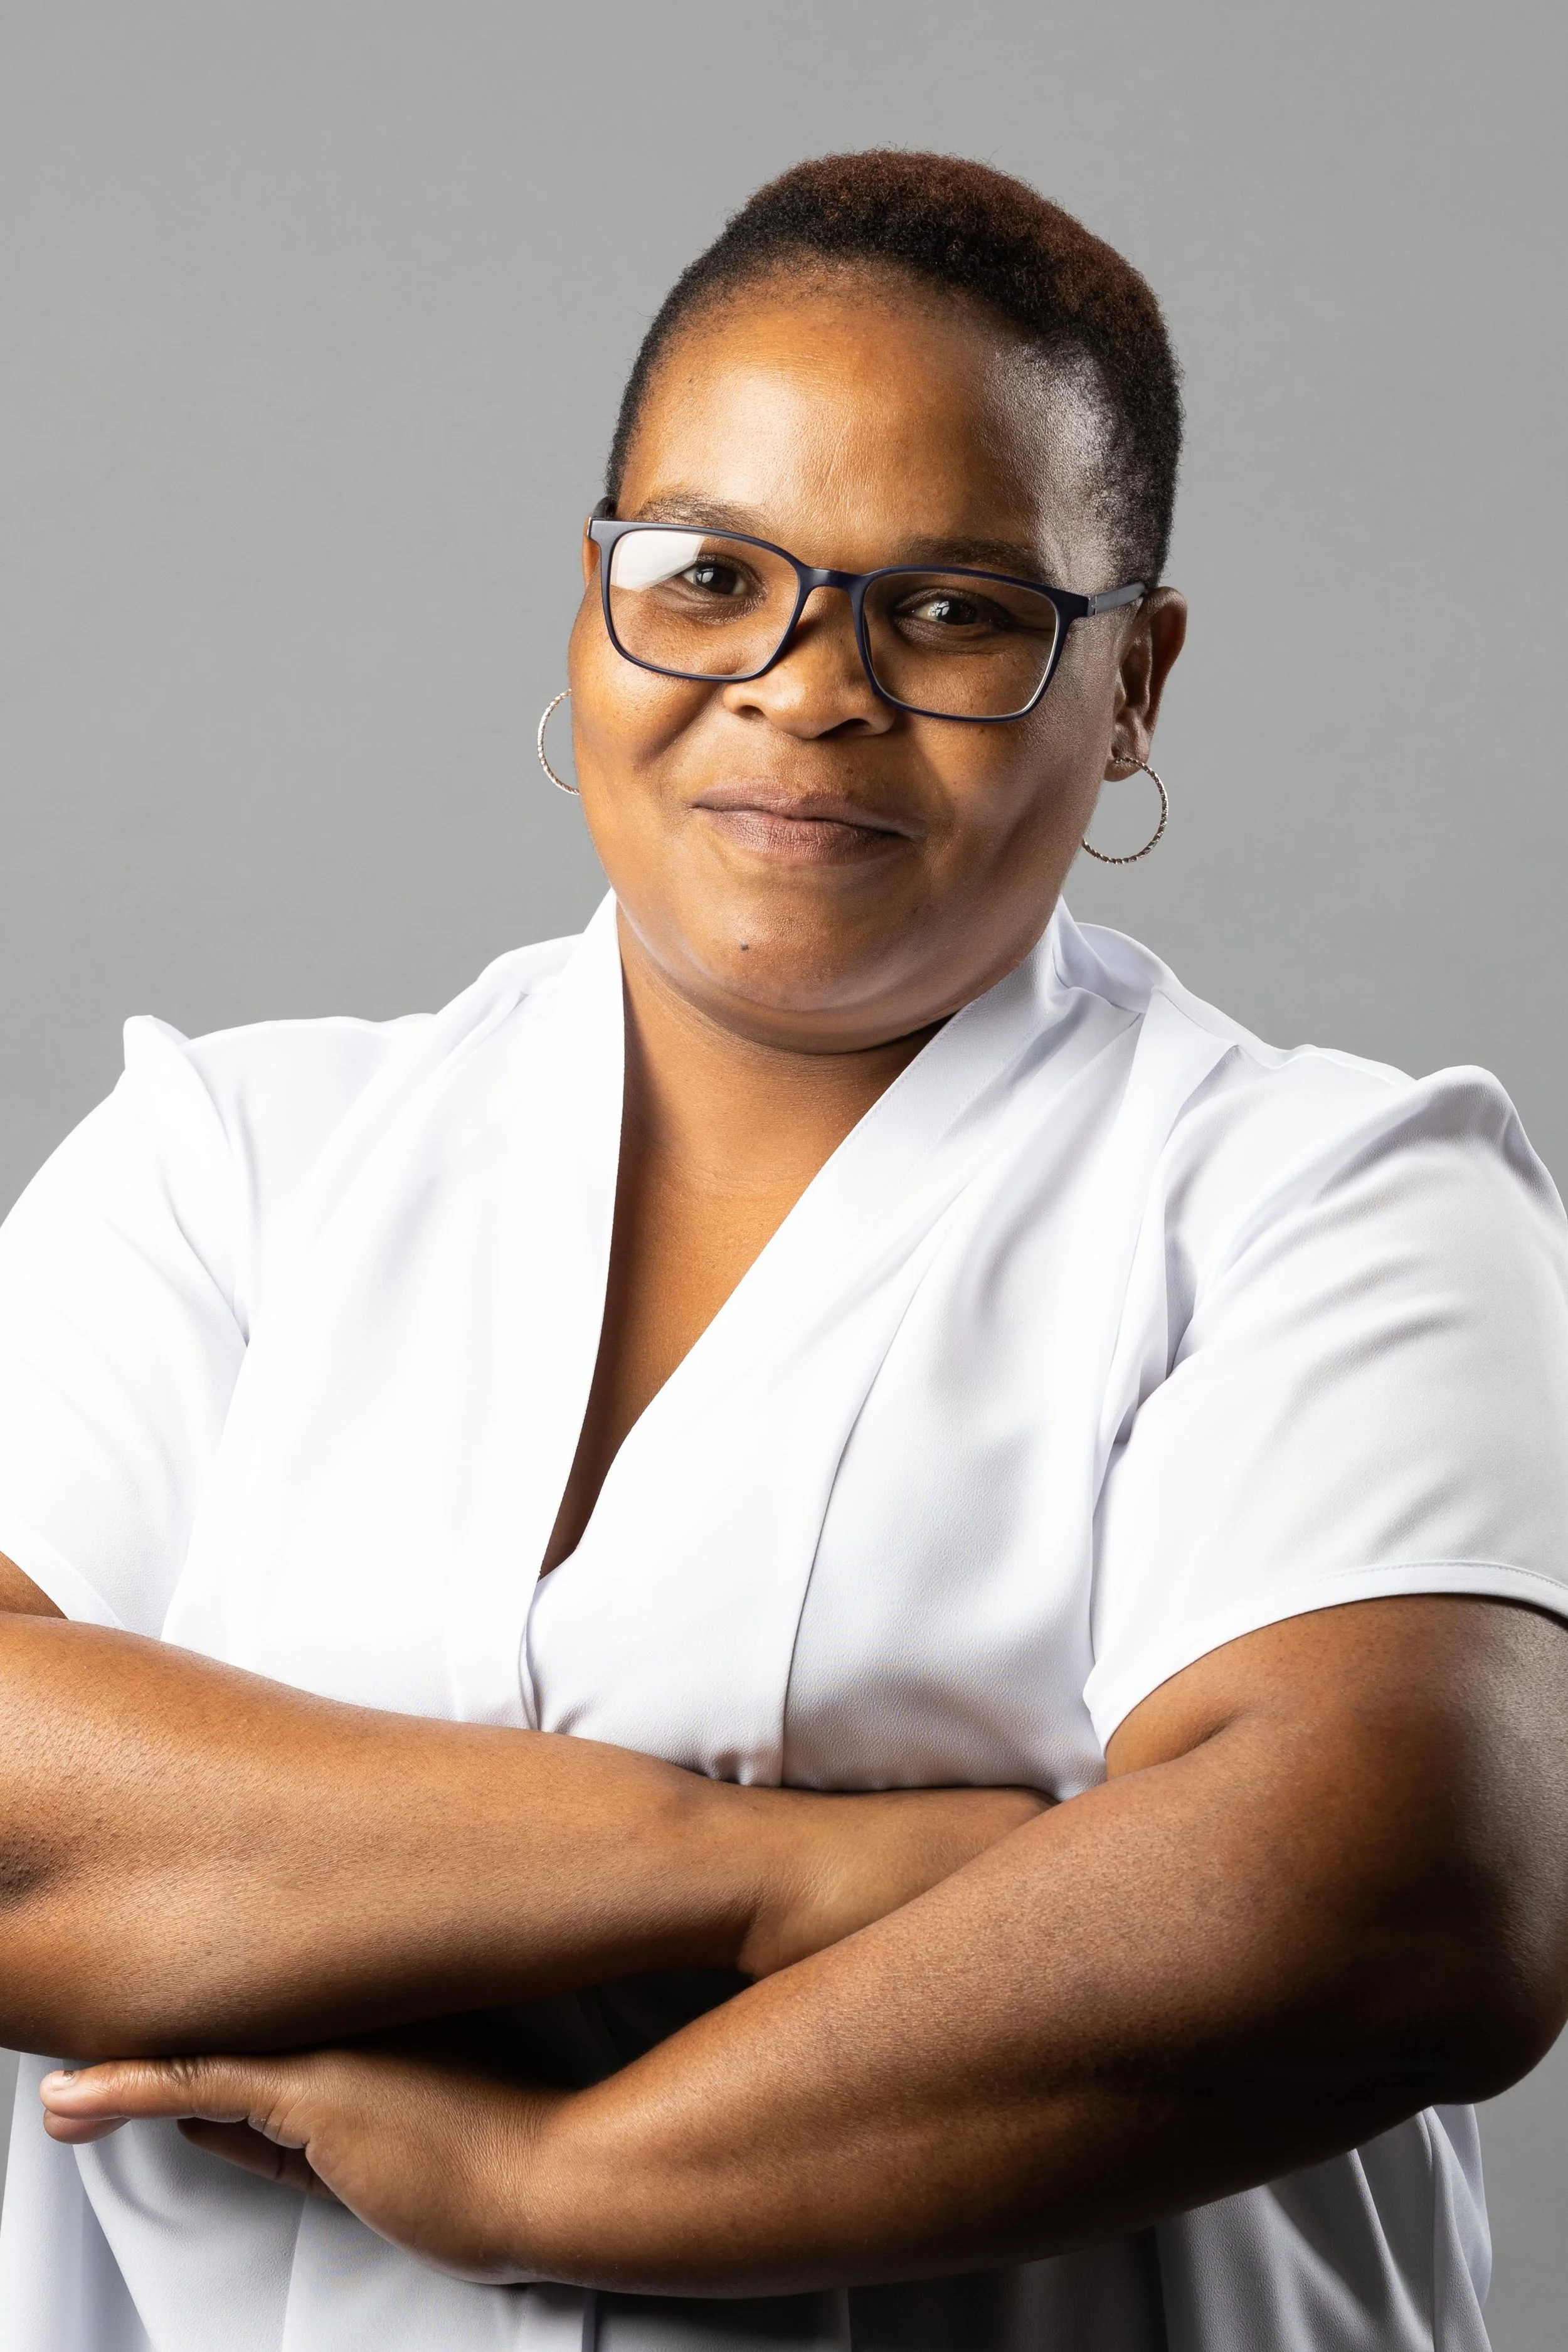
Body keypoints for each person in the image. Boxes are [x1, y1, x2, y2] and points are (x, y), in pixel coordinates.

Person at [1, 149, 1566, 2352]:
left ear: (1130, 682)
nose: (806, 685)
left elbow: (1402, 1903)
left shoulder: (1325, 1200)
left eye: (952, 609)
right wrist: (777, 1870)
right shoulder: (236, 1160)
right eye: (709, 574)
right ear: (590, 601)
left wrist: (543, 2181)